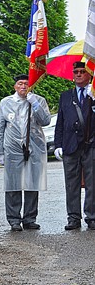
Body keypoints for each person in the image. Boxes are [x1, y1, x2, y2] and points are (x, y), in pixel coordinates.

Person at [0, 73, 51, 231]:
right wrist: (0, 152)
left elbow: (45, 121)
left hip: (34, 149)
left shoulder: (38, 100)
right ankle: (14, 219)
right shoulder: (6, 103)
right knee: (13, 185)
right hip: (13, 150)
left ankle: (30, 218)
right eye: (20, 83)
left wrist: (35, 104)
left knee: (33, 184)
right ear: (15, 86)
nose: (23, 87)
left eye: (26, 83)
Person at [54, 61, 95, 230]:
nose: (78, 74)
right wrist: (58, 144)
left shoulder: (93, 94)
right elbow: (60, 122)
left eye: (82, 72)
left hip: (90, 145)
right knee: (71, 184)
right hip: (70, 146)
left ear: (89, 75)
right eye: (76, 72)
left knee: (92, 183)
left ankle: (91, 216)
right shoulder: (65, 96)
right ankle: (73, 217)